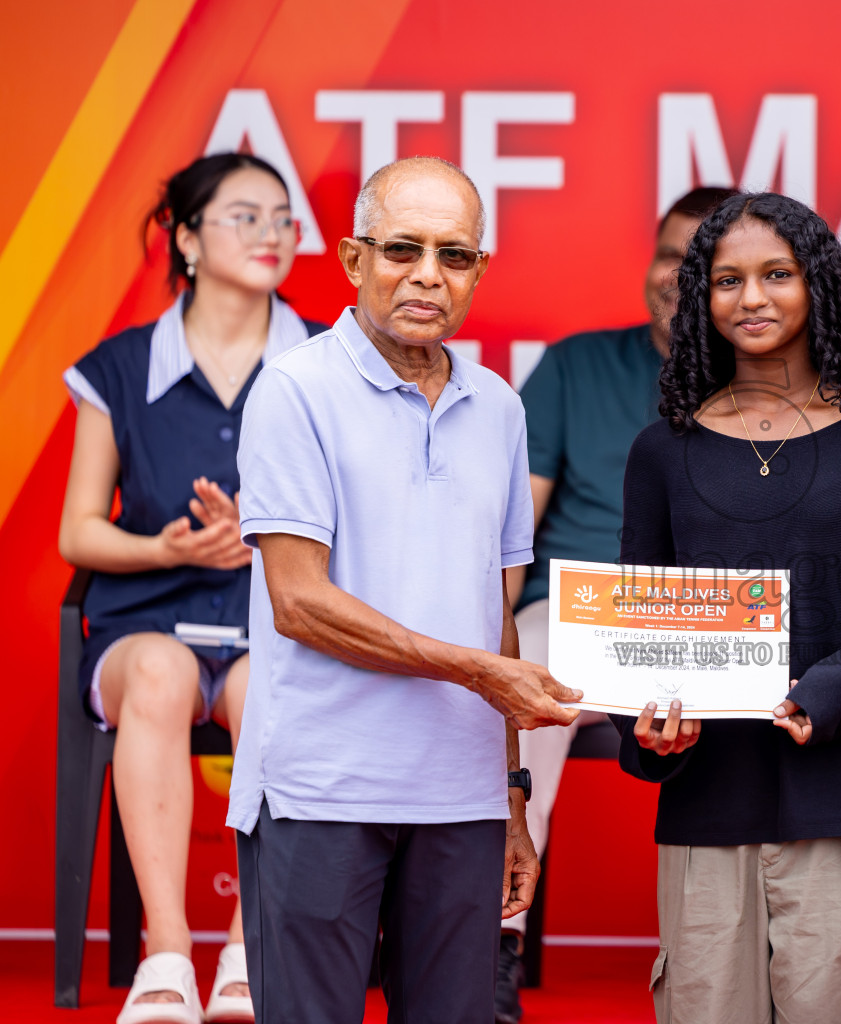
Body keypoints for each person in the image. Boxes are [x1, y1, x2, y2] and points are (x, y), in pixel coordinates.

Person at [227, 156, 581, 1023]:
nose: (429, 275)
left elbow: (496, 611)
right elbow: (299, 601)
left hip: (462, 800)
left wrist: (511, 800)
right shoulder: (294, 389)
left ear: (479, 272)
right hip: (322, 789)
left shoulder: (499, 405)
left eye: (455, 256)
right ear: (353, 260)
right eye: (403, 249)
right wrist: (475, 671)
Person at [616, 192, 841, 1023]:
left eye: (778, 274)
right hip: (705, 816)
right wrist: (647, 732)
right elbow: (638, 645)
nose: (753, 298)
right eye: (727, 280)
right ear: (700, 297)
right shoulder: (661, 453)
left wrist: (831, 690)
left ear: (821, 287)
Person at [58, 152, 323, 1024]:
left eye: (281, 218)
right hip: (143, 626)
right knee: (167, 675)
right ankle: (166, 952)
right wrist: (169, 545)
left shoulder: (327, 362)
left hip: (273, 624)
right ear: (186, 238)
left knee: (273, 688)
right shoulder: (121, 367)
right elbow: (79, 532)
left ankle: (248, 951)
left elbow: (362, 527)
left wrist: (270, 540)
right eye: (243, 216)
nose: (270, 235)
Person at [495, 185, 736, 1022]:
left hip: (710, 620)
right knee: (529, 681)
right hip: (579, 608)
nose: (679, 277)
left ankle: (752, 958)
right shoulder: (576, 365)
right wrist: (489, 645)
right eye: (670, 255)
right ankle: (500, 935)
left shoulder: (775, 383)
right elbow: (509, 531)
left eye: (703, 263)